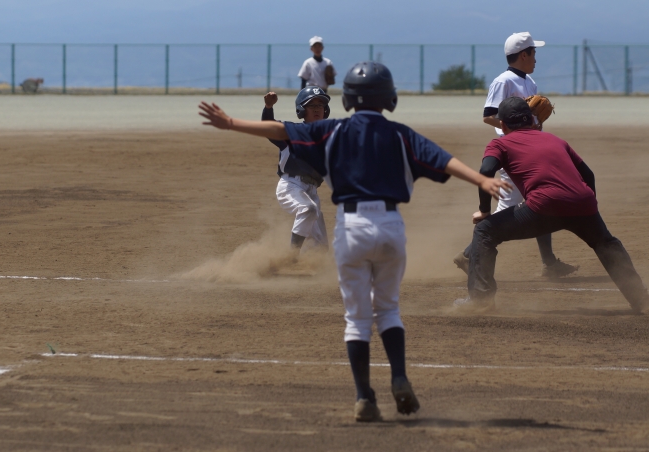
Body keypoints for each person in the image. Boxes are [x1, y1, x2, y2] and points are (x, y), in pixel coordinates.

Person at [199, 61, 512, 422]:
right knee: (388, 310)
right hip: (390, 227)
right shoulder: (400, 134)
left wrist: (230, 123)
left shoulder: (331, 131)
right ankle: (398, 376)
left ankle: (364, 397)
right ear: (390, 99)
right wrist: (481, 180)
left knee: (357, 319)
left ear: (346, 100)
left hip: (352, 228)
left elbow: (280, 130)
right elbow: (443, 160)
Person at [455, 96, 649, 315]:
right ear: (532, 120)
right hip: (583, 202)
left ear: (503, 125)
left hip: (544, 206)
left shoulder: (499, 143)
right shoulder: (556, 140)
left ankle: (481, 300)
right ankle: (640, 299)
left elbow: (486, 171)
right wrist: (589, 209)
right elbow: (588, 175)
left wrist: (484, 211)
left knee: (484, 230)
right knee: (606, 243)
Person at [453, 32, 578, 279]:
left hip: (530, 151)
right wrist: (514, 127)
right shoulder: (503, 81)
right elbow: (488, 115)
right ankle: (468, 255)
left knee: (540, 199)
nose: (536, 58)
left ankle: (549, 263)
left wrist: (533, 125)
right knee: (506, 213)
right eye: (533, 52)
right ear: (523, 55)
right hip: (512, 155)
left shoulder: (530, 82)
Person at [262, 87, 330, 253]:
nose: (317, 109)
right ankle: (291, 255)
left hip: (312, 191)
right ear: (302, 110)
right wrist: (268, 107)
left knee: (321, 249)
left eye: (320, 105)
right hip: (291, 186)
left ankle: (301, 265)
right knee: (308, 209)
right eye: (311, 105)